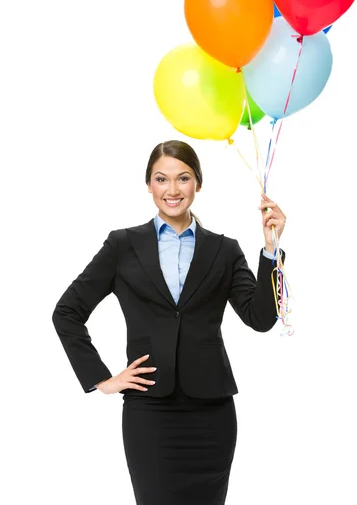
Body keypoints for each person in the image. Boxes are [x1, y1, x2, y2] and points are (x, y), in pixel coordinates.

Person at [52, 139, 287, 505]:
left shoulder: (224, 251)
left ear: (198, 184)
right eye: (162, 179)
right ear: (148, 184)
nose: (173, 190)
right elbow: (67, 312)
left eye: (184, 178)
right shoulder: (122, 246)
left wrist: (271, 251)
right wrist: (101, 379)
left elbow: (260, 318)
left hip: (212, 414)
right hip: (150, 413)